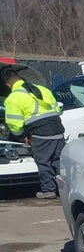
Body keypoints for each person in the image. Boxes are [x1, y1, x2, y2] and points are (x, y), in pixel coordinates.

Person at [2, 66, 65, 199]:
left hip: (41, 133)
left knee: (43, 162)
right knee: (58, 160)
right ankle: (65, 187)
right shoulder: (42, 90)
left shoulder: (13, 98)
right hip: (58, 129)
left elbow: (14, 123)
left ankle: (48, 190)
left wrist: (21, 136)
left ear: (8, 84)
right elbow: (57, 109)